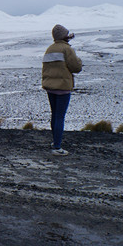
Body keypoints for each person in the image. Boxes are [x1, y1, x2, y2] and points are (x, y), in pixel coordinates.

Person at [41, 24, 83, 155]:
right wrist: (79, 61)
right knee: (60, 116)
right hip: (63, 87)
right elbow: (76, 67)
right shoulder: (66, 49)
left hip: (50, 87)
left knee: (55, 115)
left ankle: (55, 142)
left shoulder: (49, 49)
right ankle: (57, 147)